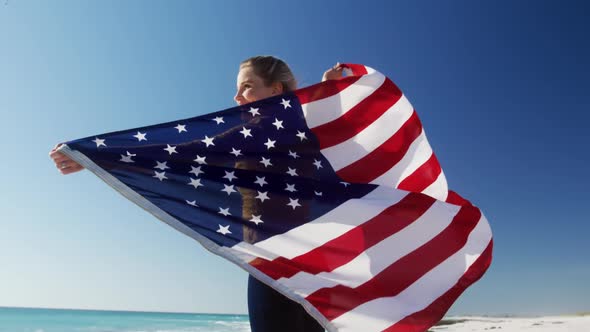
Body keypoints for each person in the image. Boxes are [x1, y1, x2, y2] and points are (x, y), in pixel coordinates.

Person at [49, 55, 345, 332]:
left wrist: (95, 156)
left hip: (273, 263)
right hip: (312, 265)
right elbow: (304, 109)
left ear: (275, 89)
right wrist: (328, 86)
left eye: (247, 87)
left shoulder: (261, 129)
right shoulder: (299, 127)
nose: (237, 97)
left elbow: (187, 153)